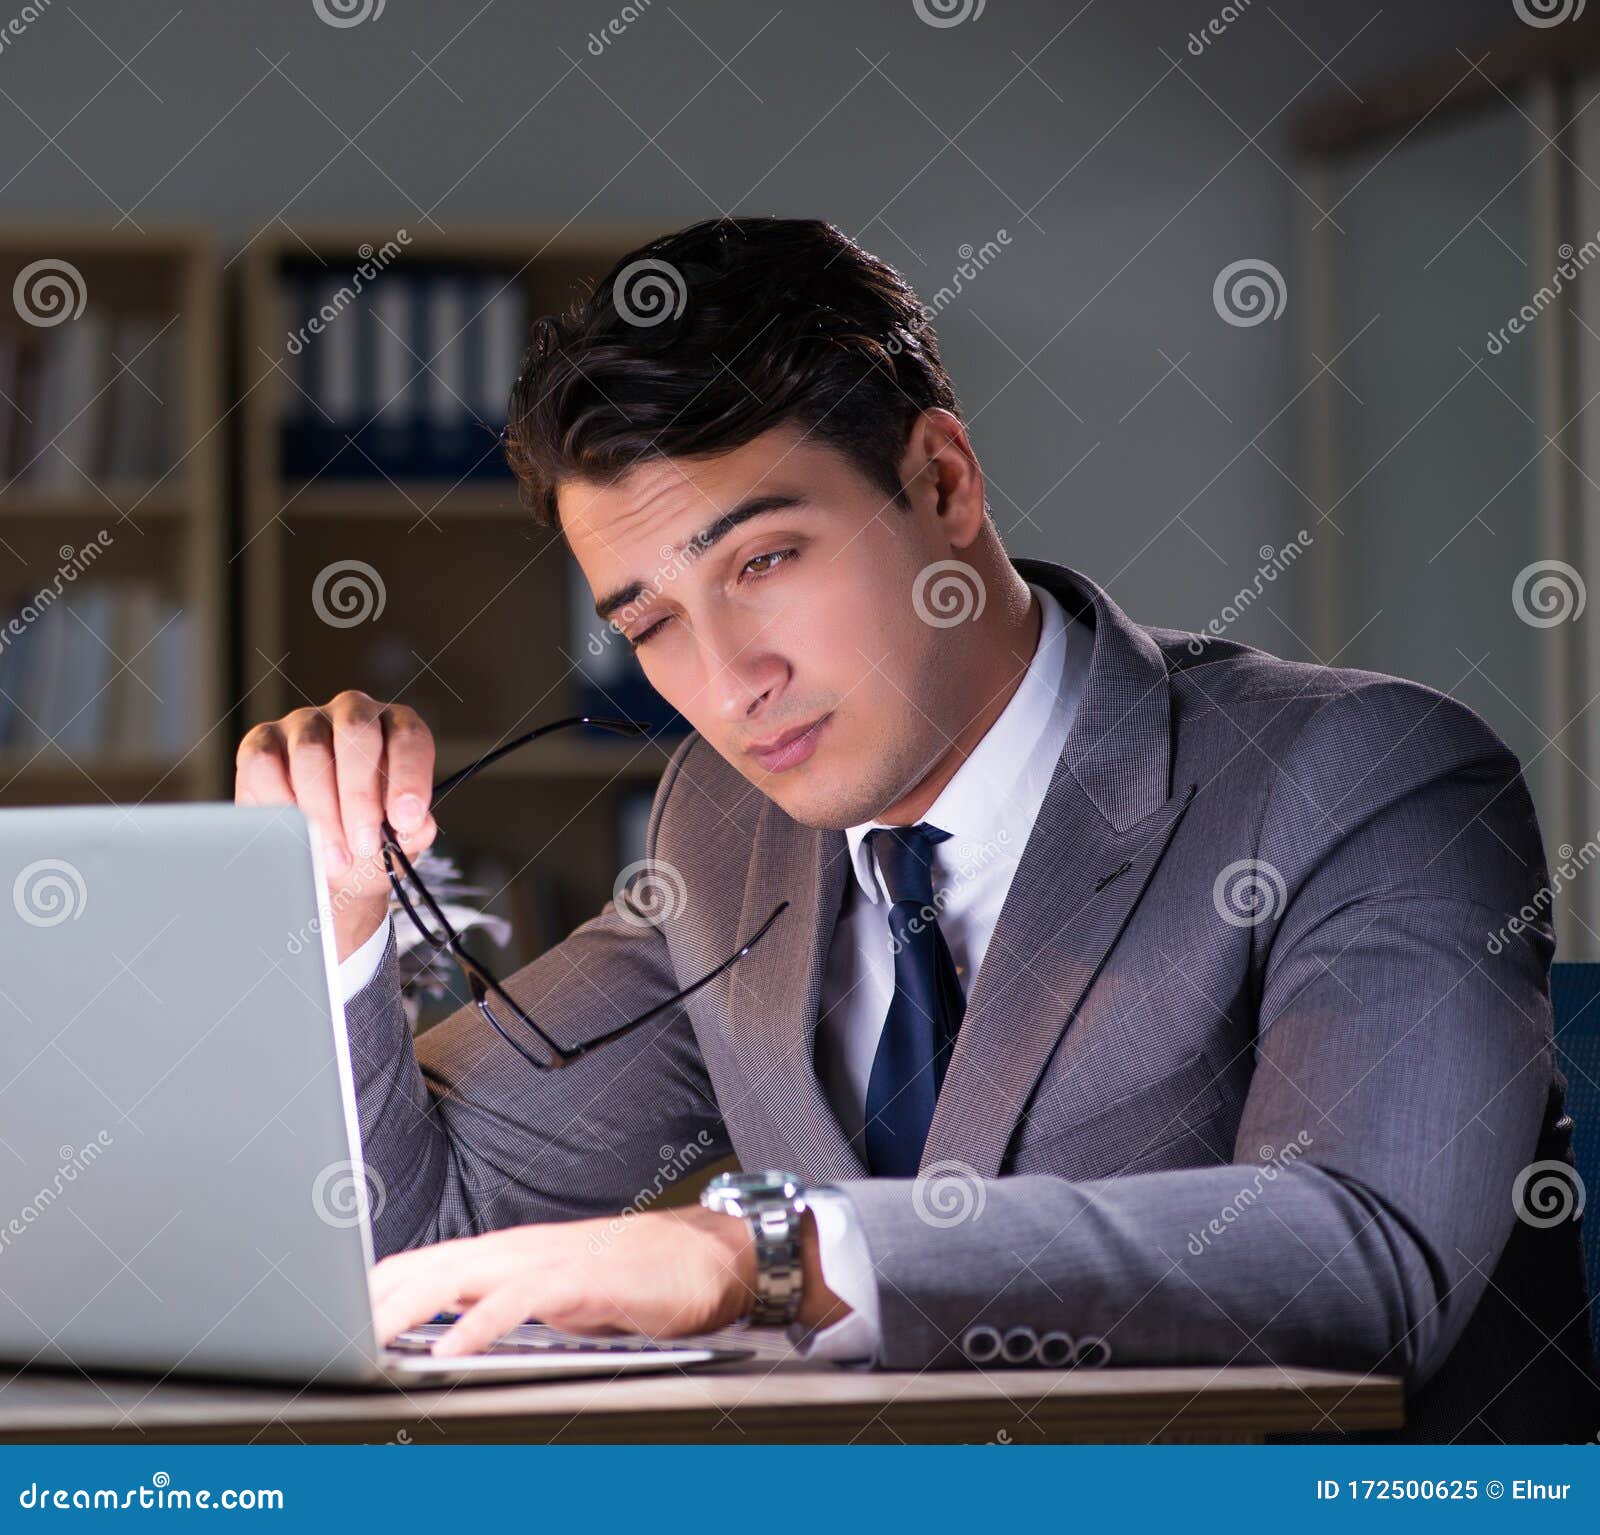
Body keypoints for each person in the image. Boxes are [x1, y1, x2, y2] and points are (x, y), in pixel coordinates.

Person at [235, 216, 1600, 1442]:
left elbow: (1361, 1255)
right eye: (649, 623)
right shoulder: (723, 826)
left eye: (764, 562)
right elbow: (417, 1241)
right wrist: (340, 911)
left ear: (943, 484)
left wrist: (765, 1258)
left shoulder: (1365, 773)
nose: (727, 679)